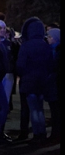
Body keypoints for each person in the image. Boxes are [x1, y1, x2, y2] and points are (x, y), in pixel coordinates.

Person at [16, 16, 55, 146]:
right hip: (42, 81)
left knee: (33, 109)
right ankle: (42, 133)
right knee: (40, 109)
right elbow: (50, 64)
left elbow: (20, 65)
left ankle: (37, 134)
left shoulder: (26, 45)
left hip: (29, 80)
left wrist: (22, 75)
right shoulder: (45, 45)